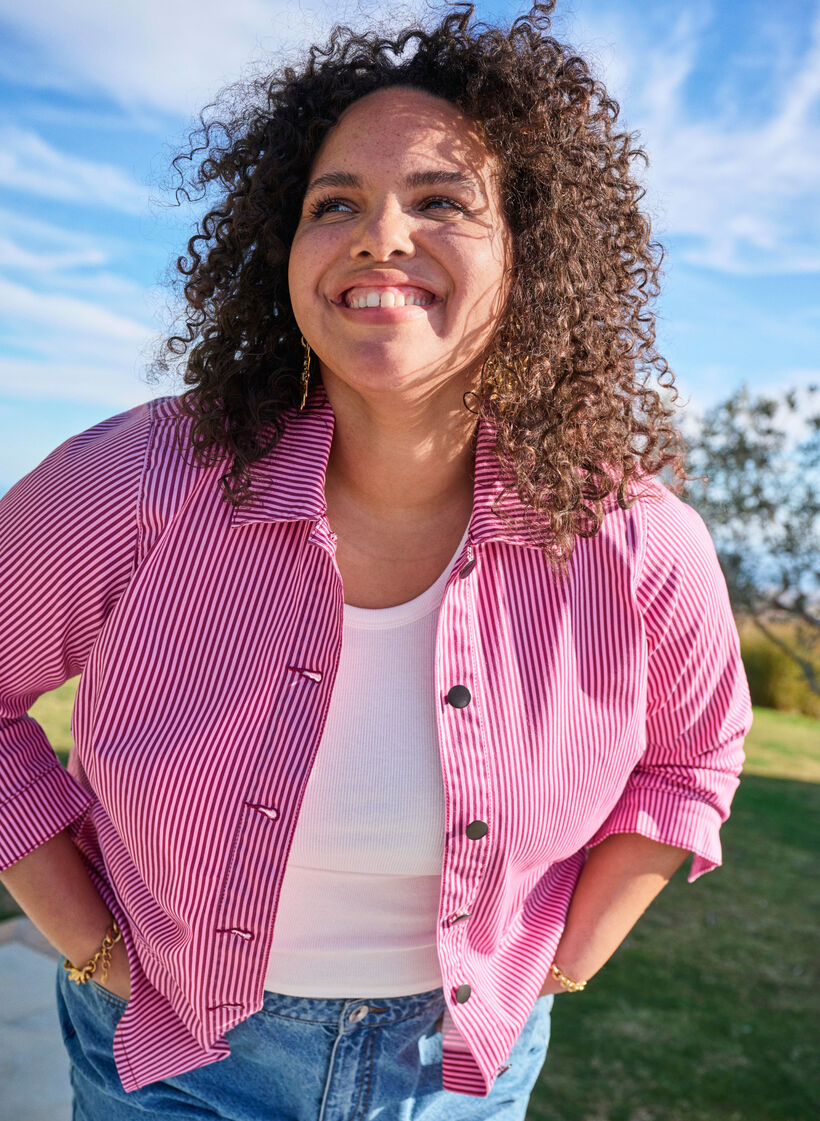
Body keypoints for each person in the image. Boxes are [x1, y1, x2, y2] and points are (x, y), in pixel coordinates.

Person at [0, 3, 752, 1118]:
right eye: (334, 202)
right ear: (283, 250)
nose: (379, 234)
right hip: (169, 1053)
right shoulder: (137, 481)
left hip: (459, 1069)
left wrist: (570, 955)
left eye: (441, 200)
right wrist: (89, 935)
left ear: (530, 258)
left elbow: (692, 762)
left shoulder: (638, 539)